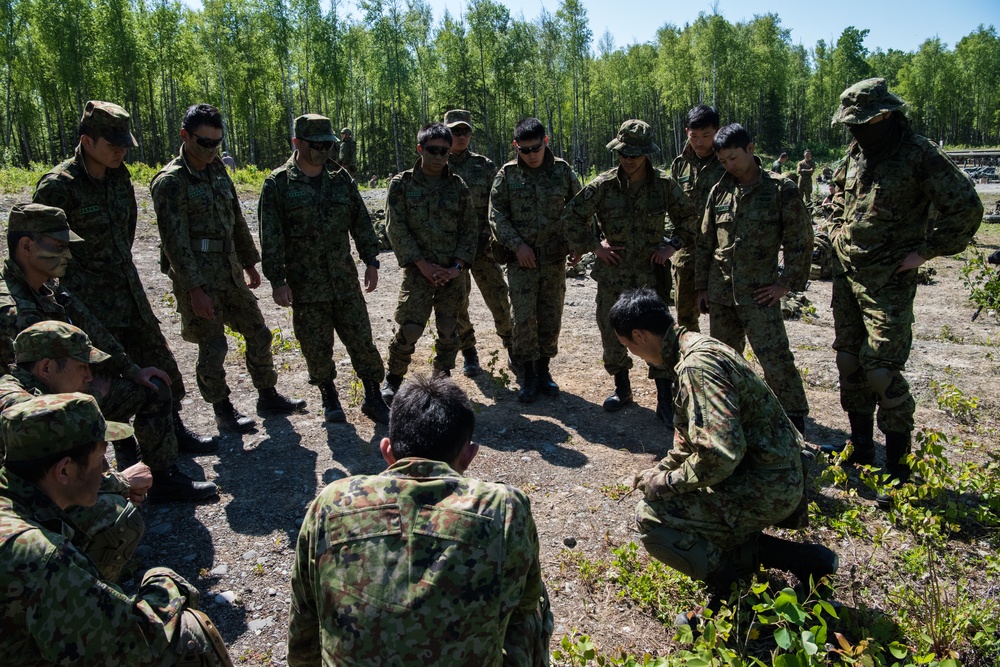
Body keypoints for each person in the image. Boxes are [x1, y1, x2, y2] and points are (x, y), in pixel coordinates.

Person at [287, 374, 552, 666]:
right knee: (535, 606)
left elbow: (304, 620)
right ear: (469, 455)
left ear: (387, 450)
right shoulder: (504, 506)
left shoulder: (332, 502)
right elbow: (525, 602)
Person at [611, 289, 838, 627]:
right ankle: (806, 559)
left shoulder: (695, 367)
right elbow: (692, 443)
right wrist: (657, 473)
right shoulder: (696, 348)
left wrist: (666, 483)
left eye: (629, 347)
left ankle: (732, 597)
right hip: (766, 475)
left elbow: (719, 455)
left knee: (654, 517)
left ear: (640, 335)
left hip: (766, 485)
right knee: (690, 508)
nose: (634, 354)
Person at [822, 78, 983, 506]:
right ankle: (860, 449)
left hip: (888, 280)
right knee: (849, 361)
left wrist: (926, 251)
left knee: (881, 370)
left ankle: (898, 469)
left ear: (886, 115)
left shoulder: (919, 155)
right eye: (851, 125)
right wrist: (836, 230)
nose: (855, 131)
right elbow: (838, 193)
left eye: (863, 122)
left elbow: (967, 207)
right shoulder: (858, 151)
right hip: (847, 273)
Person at [32, 99, 217, 455]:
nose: (121, 153)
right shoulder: (58, 187)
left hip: (128, 291)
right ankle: (127, 453)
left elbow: (126, 232)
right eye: (113, 145)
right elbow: (43, 257)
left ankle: (173, 436)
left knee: (162, 366)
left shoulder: (119, 177)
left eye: (124, 146)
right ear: (87, 142)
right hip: (89, 303)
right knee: (109, 381)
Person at [0, 203, 215, 501]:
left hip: (75, 393)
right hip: (38, 420)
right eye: (59, 246)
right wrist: (86, 395)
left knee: (154, 389)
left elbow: (95, 332)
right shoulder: (8, 310)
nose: (68, 255)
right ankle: (100, 493)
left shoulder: (50, 289)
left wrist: (132, 370)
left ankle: (158, 477)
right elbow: (20, 391)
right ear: (26, 245)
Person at [0, 392, 232, 665]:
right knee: (189, 634)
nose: (106, 469)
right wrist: (165, 581)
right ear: (64, 471)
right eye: (101, 458)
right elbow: (136, 641)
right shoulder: (39, 555)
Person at [151, 103, 306, 434]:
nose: (210, 150)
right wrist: (194, 290)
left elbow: (236, 217)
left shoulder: (217, 169)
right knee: (214, 346)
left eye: (216, 143)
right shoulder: (170, 182)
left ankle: (267, 395)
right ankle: (222, 409)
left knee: (260, 333)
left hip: (229, 271)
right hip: (198, 279)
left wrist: (250, 262)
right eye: (204, 142)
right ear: (185, 136)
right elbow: (174, 244)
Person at [562, 119, 698, 421]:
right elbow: (571, 217)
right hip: (614, 274)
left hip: (651, 275)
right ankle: (622, 388)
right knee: (612, 332)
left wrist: (672, 246)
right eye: (623, 153)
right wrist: (595, 246)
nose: (627, 159)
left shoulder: (663, 185)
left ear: (646, 154)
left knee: (657, 333)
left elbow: (690, 219)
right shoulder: (603, 185)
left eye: (634, 155)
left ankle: (665, 397)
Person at [259, 114, 390, 425]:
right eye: (317, 145)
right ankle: (329, 397)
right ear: (298, 143)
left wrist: (371, 260)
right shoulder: (278, 185)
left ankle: (373, 396)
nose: (325, 151)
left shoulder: (340, 179)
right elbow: (271, 238)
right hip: (306, 285)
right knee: (316, 345)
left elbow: (360, 221)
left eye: (329, 144)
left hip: (344, 280)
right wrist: (278, 280)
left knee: (361, 339)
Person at [696, 124, 812, 435]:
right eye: (722, 161)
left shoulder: (779, 189)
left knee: (775, 359)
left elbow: (800, 240)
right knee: (722, 360)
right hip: (721, 294)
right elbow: (706, 242)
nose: (729, 166)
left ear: (750, 148)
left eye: (733, 158)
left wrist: (786, 283)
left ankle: (795, 423)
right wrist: (701, 288)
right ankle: (729, 420)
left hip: (760, 293)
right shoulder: (719, 190)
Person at [380, 122, 477, 402]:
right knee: (410, 328)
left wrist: (456, 267)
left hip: (451, 273)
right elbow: (395, 228)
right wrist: (422, 264)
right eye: (433, 150)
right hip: (418, 272)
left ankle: (441, 380)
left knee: (449, 327)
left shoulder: (457, 186)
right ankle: (393, 379)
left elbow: (470, 229)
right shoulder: (402, 184)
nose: (439, 157)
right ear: (420, 149)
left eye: (444, 152)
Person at [490, 117, 580, 402]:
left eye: (536, 148)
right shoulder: (507, 175)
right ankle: (528, 374)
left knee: (551, 315)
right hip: (522, 263)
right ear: (516, 146)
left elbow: (578, 207)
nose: (530, 155)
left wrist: (578, 242)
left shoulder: (562, 171)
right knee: (524, 319)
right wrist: (517, 246)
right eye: (524, 149)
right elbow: (496, 215)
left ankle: (544, 370)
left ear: (546, 141)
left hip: (553, 261)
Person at [444, 109, 513, 377]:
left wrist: (490, 234)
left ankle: (511, 344)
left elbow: (498, 205)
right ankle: (469, 352)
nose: (460, 137)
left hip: (484, 247)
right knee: (458, 303)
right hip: (451, 250)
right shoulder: (438, 164)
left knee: (498, 296)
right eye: (455, 132)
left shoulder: (484, 166)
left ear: (471, 134)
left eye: (465, 131)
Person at [669, 104, 727, 332]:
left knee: (723, 322)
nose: (700, 142)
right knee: (685, 319)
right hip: (687, 254)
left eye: (706, 136)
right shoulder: (679, 165)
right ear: (686, 133)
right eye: (694, 136)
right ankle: (691, 365)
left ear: (718, 131)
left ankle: (723, 366)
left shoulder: (728, 161)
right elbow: (671, 209)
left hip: (719, 255)